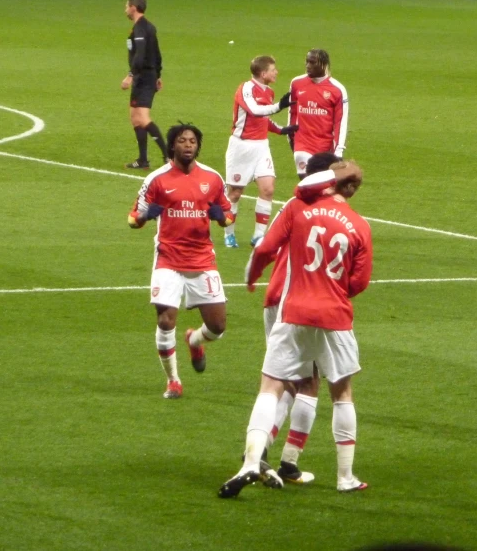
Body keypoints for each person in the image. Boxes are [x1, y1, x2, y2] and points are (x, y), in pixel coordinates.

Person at [219, 160, 372, 498]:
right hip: (335, 316)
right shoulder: (360, 225)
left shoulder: (299, 208)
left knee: (271, 386)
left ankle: (251, 461)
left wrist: (252, 275)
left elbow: (266, 248)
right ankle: (344, 477)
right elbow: (359, 282)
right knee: (340, 393)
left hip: (291, 311)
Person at [254, 152, 344, 487]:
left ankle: (272, 456)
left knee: (285, 379)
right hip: (302, 301)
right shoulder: (324, 210)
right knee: (308, 380)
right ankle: (276, 457)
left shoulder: (294, 204)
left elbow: (265, 247)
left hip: (276, 296)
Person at [128, 123, 235, 399]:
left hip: (202, 260)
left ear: (198, 146)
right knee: (165, 321)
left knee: (218, 327)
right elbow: (132, 219)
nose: (188, 145)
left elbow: (228, 216)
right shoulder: (157, 179)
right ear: (172, 146)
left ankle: (195, 340)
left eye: (192, 141)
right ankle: (173, 381)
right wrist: (144, 216)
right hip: (168, 259)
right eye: (182, 141)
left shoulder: (212, 179)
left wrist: (221, 217)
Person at [223, 55, 297, 249]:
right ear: (263, 73)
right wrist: (279, 107)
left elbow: (263, 118)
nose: (276, 72)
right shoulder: (246, 88)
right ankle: (229, 234)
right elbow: (255, 111)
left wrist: (281, 130)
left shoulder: (269, 92)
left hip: (261, 147)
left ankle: (258, 236)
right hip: (241, 147)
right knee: (236, 193)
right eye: (273, 69)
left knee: (268, 189)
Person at [121, 0, 168, 169]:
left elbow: (140, 55)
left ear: (134, 8)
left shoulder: (140, 28)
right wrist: (158, 74)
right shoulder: (148, 27)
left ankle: (168, 156)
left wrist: (130, 75)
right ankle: (143, 160)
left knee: (142, 117)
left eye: (127, 6)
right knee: (135, 118)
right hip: (148, 76)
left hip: (143, 77)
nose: (125, 9)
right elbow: (157, 53)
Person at [287, 49, 349, 179]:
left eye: (312, 62)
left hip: (325, 147)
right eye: (307, 62)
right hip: (302, 143)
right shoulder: (297, 84)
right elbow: (292, 113)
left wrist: (338, 151)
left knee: (322, 188)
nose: (308, 66)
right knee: (307, 182)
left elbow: (340, 122)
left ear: (324, 65)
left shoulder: (337, 89)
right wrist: (290, 137)